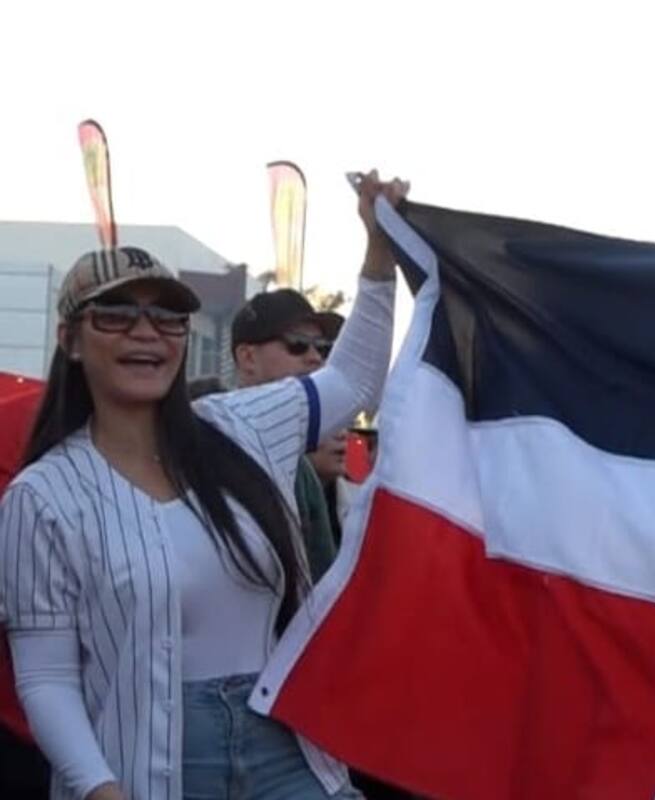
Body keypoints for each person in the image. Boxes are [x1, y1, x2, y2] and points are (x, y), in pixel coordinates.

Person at [0, 170, 406, 800]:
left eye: (167, 317)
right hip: (152, 764)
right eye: (115, 314)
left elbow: (353, 379)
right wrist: (98, 788)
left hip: (285, 742)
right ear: (70, 341)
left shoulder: (243, 425)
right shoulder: (42, 497)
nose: (146, 332)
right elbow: (47, 676)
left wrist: (378, 254)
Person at [230, 288, 344, 581]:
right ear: (247, 357)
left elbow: (320, 594)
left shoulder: (302, 474)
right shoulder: (201, 442)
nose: (315, 358)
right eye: (298, 344)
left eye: (322, 347)